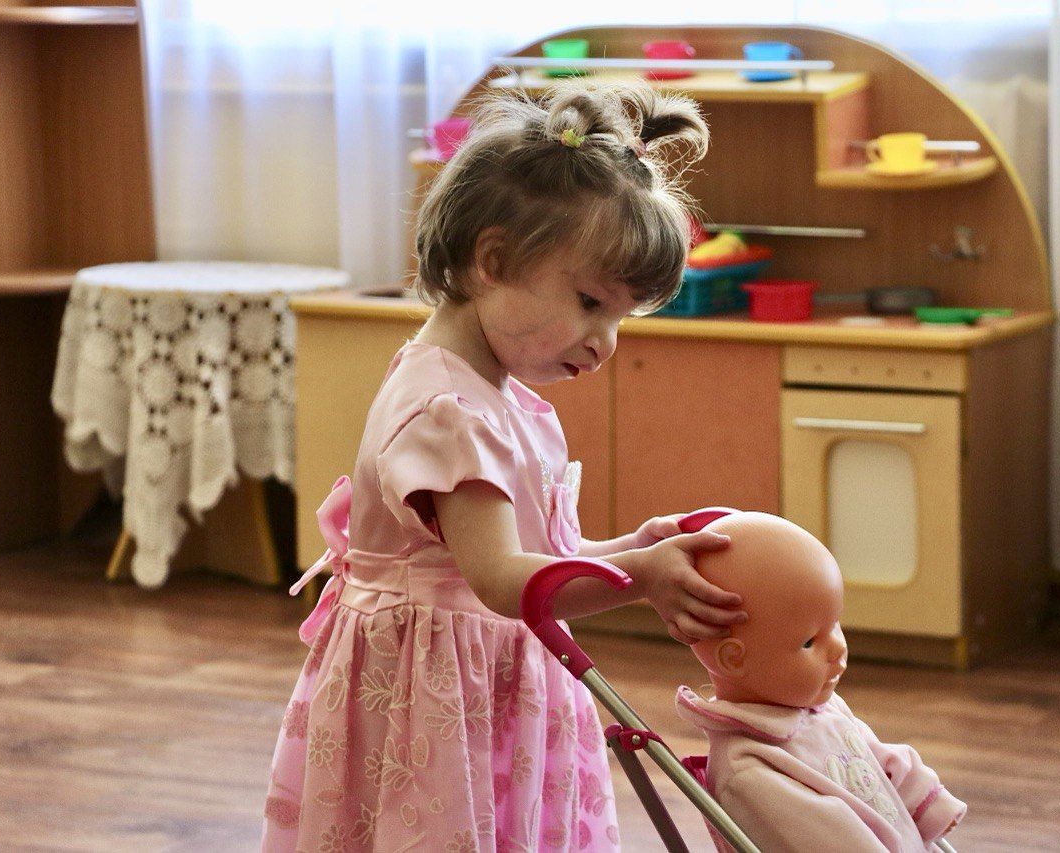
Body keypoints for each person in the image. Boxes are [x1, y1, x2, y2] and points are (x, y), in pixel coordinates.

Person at [261, 79, 749, 851]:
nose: (606, 343)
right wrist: (640, 578)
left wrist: (632, 549)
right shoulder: (448, 412)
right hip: (435, 703)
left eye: (622, 317)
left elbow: (529, 562)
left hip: (478, 690)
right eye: (591, 303)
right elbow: (499, 580)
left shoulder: (486, 393)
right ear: (494, 260)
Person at [675, 511, 966, 852]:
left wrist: (924, 800)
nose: (838, 647)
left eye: (835, 624)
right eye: (810, 641)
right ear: (734, 659)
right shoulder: (749, 771)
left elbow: (876, 759)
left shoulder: (820, 708)